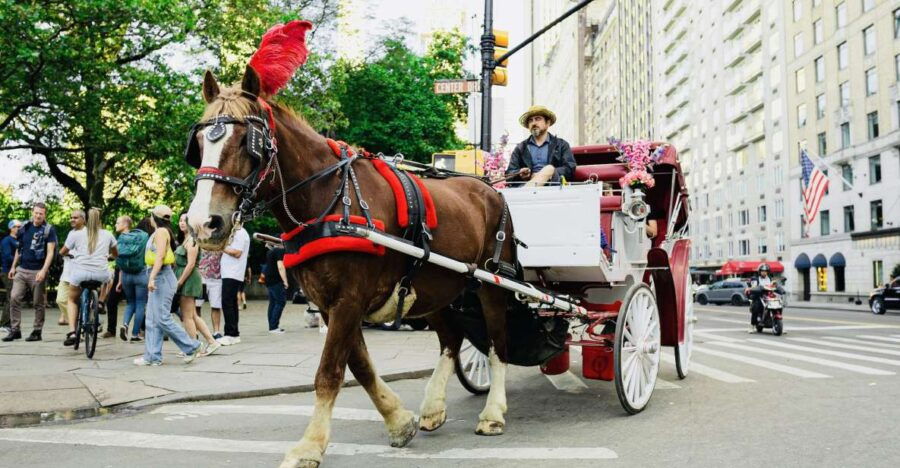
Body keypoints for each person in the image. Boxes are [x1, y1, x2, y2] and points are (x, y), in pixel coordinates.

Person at [134, 205, 202, 366]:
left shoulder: (160, 232)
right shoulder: (161, 232)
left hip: (161, 277)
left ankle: (192, 346)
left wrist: (152, 278)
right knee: (151, 319)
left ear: (153, 217)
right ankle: (152, 357)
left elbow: (160, 256)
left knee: (162, 318)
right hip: (160, 276)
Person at [59, 208, 118, 346]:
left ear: (86, 220)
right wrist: (108, 256)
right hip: (100, 273)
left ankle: (73, 332)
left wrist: (69, 254)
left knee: (72, 300)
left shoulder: (76, 235)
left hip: (80, 273)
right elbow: (116, 254)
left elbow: (62, 251)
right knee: (108, 279)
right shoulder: (108, 234)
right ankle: (101, 302)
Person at [4, 203, 57, 342]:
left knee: (38, 303)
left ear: (45, 215)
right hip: (22, 269)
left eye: (41, 213)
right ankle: (15, 330)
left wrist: (44, 271)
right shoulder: (24, 228)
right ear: (32, 213)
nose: (38, 215)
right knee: (14, 297)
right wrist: (13, 267)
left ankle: (37, 331)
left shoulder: (48, 230)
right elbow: (19, 249)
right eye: (36, 213)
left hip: (38, 271)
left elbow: (50, 252)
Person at [175, 214, 220, 355]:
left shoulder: (192, 240)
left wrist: (180, 282)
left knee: (187, 316)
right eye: (180, 220)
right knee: (192, 315)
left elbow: (190, 264)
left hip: (188, 279)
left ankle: (193, 347)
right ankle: (211, 342)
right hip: (184, 277)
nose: (182, 223)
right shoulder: (185, 239)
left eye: (185, 221)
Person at [505, 106, 576, 187]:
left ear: (548, 123)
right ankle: (528, 191)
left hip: (554, 188)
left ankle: (527, 191)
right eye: (531, 120)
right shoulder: (520, 148)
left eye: (538, 119)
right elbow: (509, 175)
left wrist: (548, 174)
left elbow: (570, 169)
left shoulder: (561, 144)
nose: (534, 123)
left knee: (549, 168)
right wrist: (520, 173)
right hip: (525, 185)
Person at [116, 216, 150, 342]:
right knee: (140, 303)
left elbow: (120, 261)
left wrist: (119, 281)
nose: (115, 224)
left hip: (126, 275)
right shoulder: (144, 238)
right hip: (141, 274)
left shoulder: (121, 238)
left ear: (126, 224)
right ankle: (135, 334)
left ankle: (125, 324)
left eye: (118, 222)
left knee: (130, 303)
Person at [218, 226, 249, 346]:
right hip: (230, 272)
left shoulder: (240, 232)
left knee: (227, 302)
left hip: (233, 272)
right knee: (231, 303)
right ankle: (234, 333)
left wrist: (221, 246)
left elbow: (237, 253)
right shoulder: (235, 232)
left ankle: (230, 334)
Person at [54, 210, 86, 327]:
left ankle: (84, 323)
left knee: (83, 301)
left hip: (82, 272)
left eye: (76, 218)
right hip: (67, 273)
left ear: (83, 219)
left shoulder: (88, 233)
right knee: (61, 300)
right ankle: (76, 321)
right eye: (71, 217)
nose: (72, 219)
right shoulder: (71, 233)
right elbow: (64, 251)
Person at [745, 263, 782, 333]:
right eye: (762, 271)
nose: (764, 272)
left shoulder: (770, 278)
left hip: (769, 295)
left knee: (778, 305)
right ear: (759, 272)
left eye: (765, 271)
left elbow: (775, 285)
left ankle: (778, 324)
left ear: (768, 272)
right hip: (759, 296)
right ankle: (752, 325)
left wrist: (779, 288)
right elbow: (753, 286)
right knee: (756, 307)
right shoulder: (755, 279)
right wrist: (753, 288)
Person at [198, 249, 224, 339]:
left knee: (216, 305)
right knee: (197, 306)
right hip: (200, 276)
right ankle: (196, 331)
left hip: (217, 277)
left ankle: (216, 331)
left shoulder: (221, 241)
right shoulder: (198, 239)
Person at [1, 220, 21, 332]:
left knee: (14, 298)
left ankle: (11, 323)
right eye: (16, 226)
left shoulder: (18, 240)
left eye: (20, 226)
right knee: (10, 298)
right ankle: (4, 324)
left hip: (16, 272)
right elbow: (8, 257)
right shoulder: (6, 241)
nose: (18, 228)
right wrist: (20, 260)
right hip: (8, 272)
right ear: (11, 228)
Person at [264, 242, 288, 333]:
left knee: (273, 303)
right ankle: (274, 327)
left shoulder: (271, 251)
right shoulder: (279, 251)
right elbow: (280, 267)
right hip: (276, 279)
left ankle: (271, 326)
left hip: (268, 279)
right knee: (281, 302)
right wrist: (285, 281)